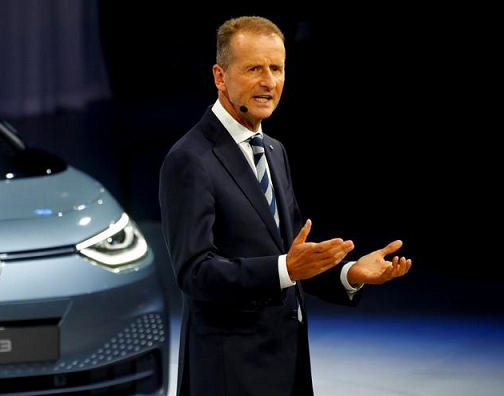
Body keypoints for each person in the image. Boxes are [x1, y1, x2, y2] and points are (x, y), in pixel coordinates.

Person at [158, 16, 412, 396]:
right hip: (229, 373)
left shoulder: (274, 151)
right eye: (254, 68)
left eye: (276, 68)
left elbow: (294, 257)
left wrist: (351, 274)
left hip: (287, 363)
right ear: (220, 76)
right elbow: (195, 272)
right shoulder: (189, 160)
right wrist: (284, 268)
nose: (269, 82)